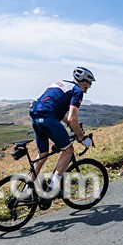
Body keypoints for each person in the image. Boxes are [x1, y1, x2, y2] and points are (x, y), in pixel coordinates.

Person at [28, 66, 95, 207]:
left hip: (35, 117)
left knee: (43, 155)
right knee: (68, 150)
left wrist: (71, 126)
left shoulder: (61, 83)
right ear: (84, 82)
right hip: (47, 118)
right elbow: (72, 118)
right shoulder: (77, 91)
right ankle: (53, 188)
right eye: (89, 83)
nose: (89, 87)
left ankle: (26, 190)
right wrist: (82, 138)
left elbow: (60, 114)